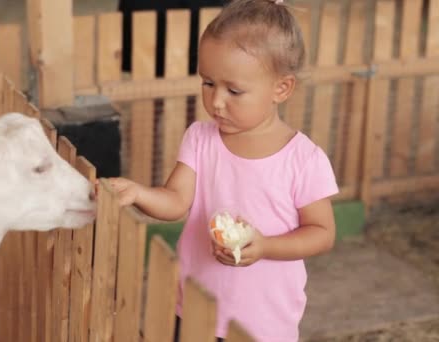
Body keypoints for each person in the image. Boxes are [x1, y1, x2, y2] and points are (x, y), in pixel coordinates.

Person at [109, 0, 339, 341]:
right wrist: (139, 193)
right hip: (193, 310)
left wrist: (265, 247)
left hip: (262, 326)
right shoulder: (201, 139)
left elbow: (322, 232)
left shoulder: (303, 159)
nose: (216, 101)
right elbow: (176, 202)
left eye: (233, 90)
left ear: (281, 88)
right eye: (207, 83)